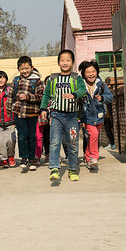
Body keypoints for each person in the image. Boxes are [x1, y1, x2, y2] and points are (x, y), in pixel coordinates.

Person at [40, 50, 87, 182]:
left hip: (72, 117)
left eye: (68, 60)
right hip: (56, 115)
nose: (65, 63)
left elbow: (83, 90)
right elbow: (46, 95)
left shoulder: (77, 78)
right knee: (54, 142)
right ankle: (54, 168)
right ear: (58, 62)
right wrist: (43, 109)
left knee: (72, 143)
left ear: (72, 62)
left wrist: (74, 94)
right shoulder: (52, 79)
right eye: (62, 60)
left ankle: (72, 169)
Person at [6, 56, 44, 171]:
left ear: (31, 67)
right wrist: (8, 110)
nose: (25, 71)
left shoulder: (37, 81)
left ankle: (32, 159)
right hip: (18, 113)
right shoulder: (16, 80)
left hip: (32, 113)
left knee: (32, 136)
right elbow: (10, 96)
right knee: (22, 136)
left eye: (27, 68)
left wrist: (27, 97)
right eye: (22, 69)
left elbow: (41, 97)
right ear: (18, 69)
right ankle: (24, 158)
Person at [79, 60, 113, 170]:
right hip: (87, 116)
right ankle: (94, 157)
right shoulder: (81, 86)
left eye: (93, 71)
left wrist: (102, 98)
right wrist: (80, 118)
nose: (91, 74)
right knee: (93, 135)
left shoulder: (101, 85)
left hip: (99, 115)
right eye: (88, 72)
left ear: (97, 72)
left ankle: (88, 155)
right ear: (84, 73)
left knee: (93, 137)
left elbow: (110, 97)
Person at [0, 71, 16, 168]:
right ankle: (3, 159)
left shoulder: (10, 91)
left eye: (2, 78)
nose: (0, 80)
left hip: (10, 121)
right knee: (0, 142)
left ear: (6, 79)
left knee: (11, 140)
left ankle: (11, 156)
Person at [103, 78, 116, 150]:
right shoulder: (104, 96)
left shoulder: (109, 96)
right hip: (106, 116)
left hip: (110, 116)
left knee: (110, 130)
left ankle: (112, 143)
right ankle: (111, 143)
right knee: (107, 130)